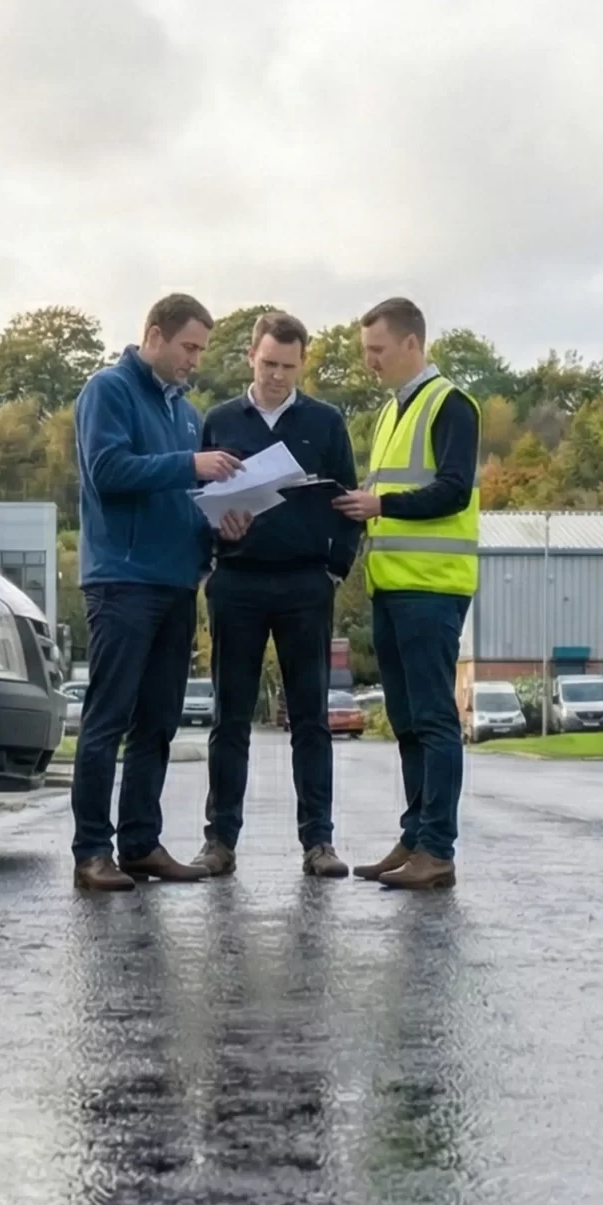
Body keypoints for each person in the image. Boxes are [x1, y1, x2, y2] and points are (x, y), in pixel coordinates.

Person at [69, 294, 249, 892]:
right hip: (122, 580)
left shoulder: (186, 414)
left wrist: (218, 524)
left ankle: (140, 844)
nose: (195, 360)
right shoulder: (108, 390)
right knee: (107, 719)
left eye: (200, 350)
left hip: (176, 582)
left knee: (158, 724)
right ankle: (93, 852)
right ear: (154, 336)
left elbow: (181, 496)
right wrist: (191, 464)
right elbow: (109, 472)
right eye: (188, 347)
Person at [190, 312, 361, 881]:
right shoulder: (218, 420)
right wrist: (218, 536)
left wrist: (335, 570)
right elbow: (194, 501)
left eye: (289, 367)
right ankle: (220, 841)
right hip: (237, 583)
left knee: (311, 718)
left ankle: (319, 842)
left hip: (305, 584)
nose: (277, 376)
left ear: (303, 363)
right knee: (230, 717)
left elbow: (348, 503)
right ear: (250, 357)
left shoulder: (325, 422)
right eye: (268, 364)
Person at [332, 296, 477, 890]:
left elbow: (454, 490)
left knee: (435, 719)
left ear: (411, 344)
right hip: (392, 588)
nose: (370, 362)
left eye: (377, 350)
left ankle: (437, 849)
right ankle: (415, 835)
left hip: (432, 589)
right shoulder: (392, 412)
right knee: (408, 720)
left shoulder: (451, 405)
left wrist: (381, 504)